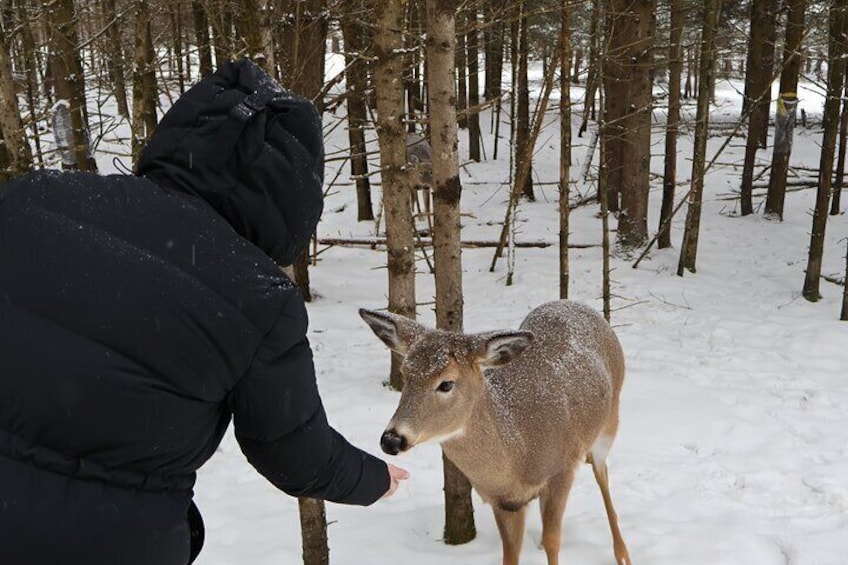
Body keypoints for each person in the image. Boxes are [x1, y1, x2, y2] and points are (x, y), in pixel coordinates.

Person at [0, 59, 408, 564]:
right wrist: (372, 479)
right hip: (111, 542)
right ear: (291, 201)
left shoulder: (32, 201)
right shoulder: (257, 298)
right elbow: (293, 452)